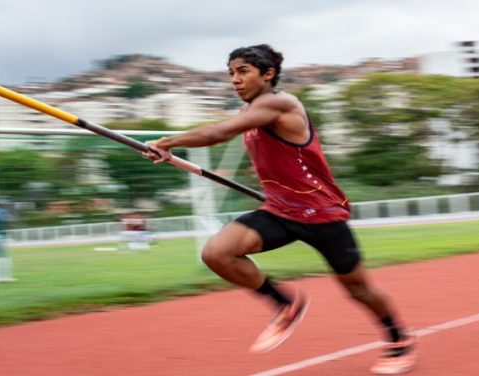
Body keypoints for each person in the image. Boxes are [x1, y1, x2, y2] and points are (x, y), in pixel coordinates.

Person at [144, 44, 416, 374]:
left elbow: (219, 132)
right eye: (231, 73)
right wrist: (171, 155)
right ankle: (284, 304)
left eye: (242, 72)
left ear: (268, 74)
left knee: (358, 289)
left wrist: (167, 142)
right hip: (280, 211)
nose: (235, 80)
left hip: (321, 213)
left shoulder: (280, 103)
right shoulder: (252, 114)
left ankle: (398, 339)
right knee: (217, 252)